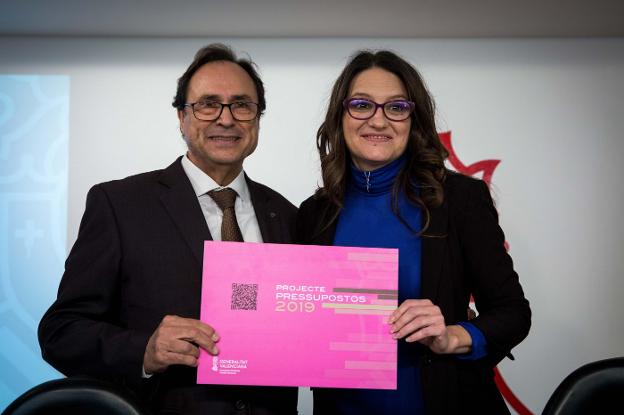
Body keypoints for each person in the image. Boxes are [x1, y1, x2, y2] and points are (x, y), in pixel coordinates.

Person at [38, 44, 298, 415]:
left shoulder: (289, 216)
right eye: (208, 104)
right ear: (181, 117)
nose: (226, 119)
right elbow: (61, 332)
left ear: (257, 118)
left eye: (242, 105)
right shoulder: (119, 204)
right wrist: (144, 349)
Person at [295, 50, 531, 415]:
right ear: (340, 117)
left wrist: (453, 336)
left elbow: (513, 311)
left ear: (413, 119)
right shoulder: (313, 214)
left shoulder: (459, 200)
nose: (378, 120)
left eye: (396, 107)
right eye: (361, 105)